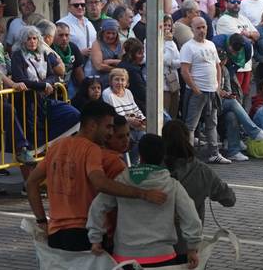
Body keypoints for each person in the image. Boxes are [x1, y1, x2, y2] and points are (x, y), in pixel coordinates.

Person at [25, 101, 167, 251]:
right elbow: (100, 183)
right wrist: (143, 194)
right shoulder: (92, 150)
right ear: (92, 125)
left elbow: (31, 183)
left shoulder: (57, 146)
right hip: (85, 233)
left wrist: (41, 221)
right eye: (108, 127)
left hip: (56, 235)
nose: (110, 133)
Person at [87, 133, 203, 268]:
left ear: (140, 155)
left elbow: (98, 206)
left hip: (124, 257)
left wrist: (95, 239)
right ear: (163, 157)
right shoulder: (172, 185)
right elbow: (191, 217)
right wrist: (192, 248)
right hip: (162, 256)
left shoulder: (121, 181)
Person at [162, 119, 235, 255]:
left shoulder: (156, 169)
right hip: (188, 246)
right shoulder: (202, 171)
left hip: (157, 245)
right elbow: (229, 199)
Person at [179, 17, 228, 164]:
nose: (201, 30)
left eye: (203, 27)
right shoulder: (188, 47)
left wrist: (218, 86)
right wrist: (195, 89)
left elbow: (218, 66)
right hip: (198, 92)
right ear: (192, 29)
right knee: (191, 125)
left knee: (212, 122)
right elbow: (185, 71)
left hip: (212, 91)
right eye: (198, 28)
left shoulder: (211, 45)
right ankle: (189, 156)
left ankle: (214, 153)